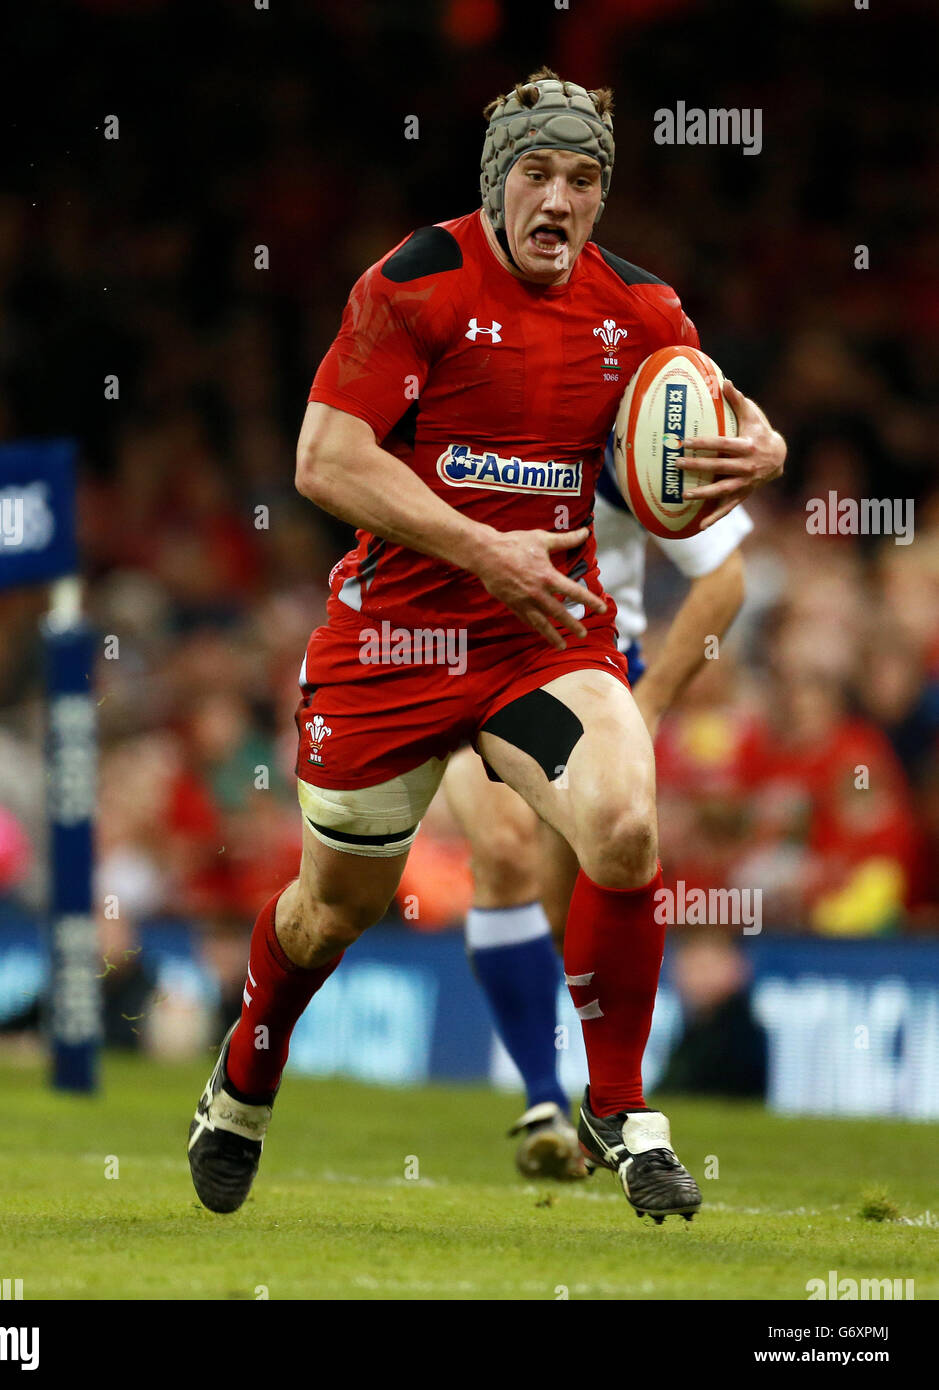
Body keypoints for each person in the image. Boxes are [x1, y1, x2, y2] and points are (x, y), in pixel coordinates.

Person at [188, 67, 786, 1222]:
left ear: (603, 198)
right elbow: (324, 460)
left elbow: (715, 420)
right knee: (332, 911)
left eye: (582, 178)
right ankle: (246, 1072)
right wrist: (479, 547)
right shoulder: (415, 282)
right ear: (495, 181)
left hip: (540, 639)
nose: (557, 199)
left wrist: (756, 448)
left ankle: (615, 1105)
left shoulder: (647, 314)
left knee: (623, 817)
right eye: (536, 173)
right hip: (394, 643)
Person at [441, 438, 752, 1179]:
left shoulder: (625, 426)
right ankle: (544, 1103)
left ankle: (601, 1105)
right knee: (505, 845)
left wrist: (646, 705)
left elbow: (723, 580)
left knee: (574, 894)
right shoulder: (445, 409)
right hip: (462, 657)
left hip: (590, 668)